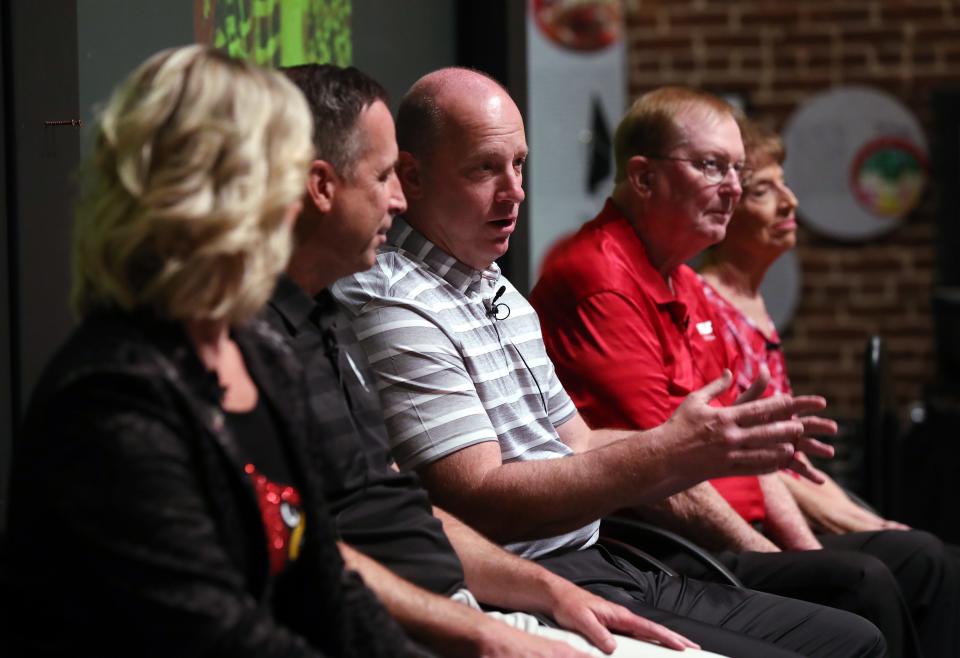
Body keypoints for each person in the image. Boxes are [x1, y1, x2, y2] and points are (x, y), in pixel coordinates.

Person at [332, 67, 885, 658]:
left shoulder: (495, 287)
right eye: (484, 168)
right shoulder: (396, 302)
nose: (515, 190)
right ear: (411, 178)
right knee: (854, 609)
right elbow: (480, 500)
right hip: (527, 581)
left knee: (858, 631)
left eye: (520, 164)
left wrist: (696, 445)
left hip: (601, 555)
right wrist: (672, 452)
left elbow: (580, 441)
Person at [269, 62, 708, 658]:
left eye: (519, 165)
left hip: (517, 582)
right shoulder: (351, 309)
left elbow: (397, 510)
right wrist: (488, 628)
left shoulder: (326, 320)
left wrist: (544, 594)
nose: (395, 199)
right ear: (319, 187)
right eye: (382, 176)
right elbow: (323, 550)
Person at [0, 46, 425, 658]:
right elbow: (218, 636)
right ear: (223, 199)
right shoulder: (111, 400)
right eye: (291, 176)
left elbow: (325, 583)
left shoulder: (258, 353)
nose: (304, 199)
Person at [529, 86, 946, 657]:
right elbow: (664, 478)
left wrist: (802, 553)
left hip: (735, 535)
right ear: (643, 178)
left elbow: (742, 443)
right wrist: (780, 565)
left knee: (924, 559)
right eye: (711, 167)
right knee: (862, 583)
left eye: (736, 169)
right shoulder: (601, 277)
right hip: (668, 543)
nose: (731, 186)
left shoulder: (684, 279)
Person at [698, 116, 960, 658]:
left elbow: (788, 455)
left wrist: (864, 518)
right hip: (742, 527)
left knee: (933, 556)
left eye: (784, 184)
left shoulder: (755, 307)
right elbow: (751, 457)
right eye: (765, 190)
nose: (790, 203)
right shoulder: (708, 306)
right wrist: (841, 532)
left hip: (781, 509)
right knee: (926, 559)